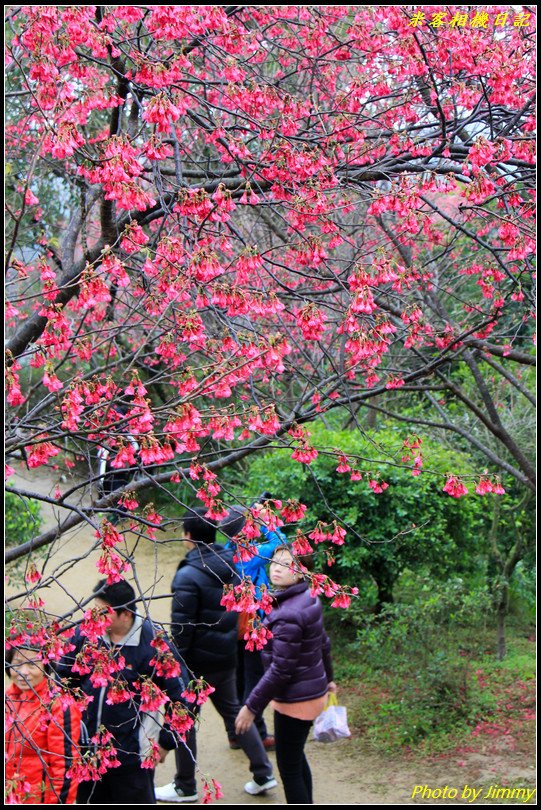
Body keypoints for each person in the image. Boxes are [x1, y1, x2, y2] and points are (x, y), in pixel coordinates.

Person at [155, 507, 277, 804]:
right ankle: (263, 773)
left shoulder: (188, 574)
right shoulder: (230, 562)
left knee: (184, 718)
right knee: (234, 712)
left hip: (197, 662)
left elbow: (181, 628)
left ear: (188, 536)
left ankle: (185, 785)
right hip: (225, 655)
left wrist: (177, 665)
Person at [56, 579, 186, 805]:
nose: (94, 617)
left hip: (132, 756)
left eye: (102, 612)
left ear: (125, 614)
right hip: (87, 752)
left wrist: (166, 742)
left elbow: (183, 699)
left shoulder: (155, 645)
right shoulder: (87, 635)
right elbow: (64, 676)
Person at [235, 544, 336, 805]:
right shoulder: (309, 597)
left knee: (289, 768)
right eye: (274, 562)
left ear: (301, 571)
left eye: (286, 564)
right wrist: (330, 678)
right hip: (311, 692)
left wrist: (250, 707)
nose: (277, 569)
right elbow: (323, 642)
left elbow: (281, 669)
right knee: (296, 757)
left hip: (296, 701)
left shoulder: (288, 613)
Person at [220, 496, 287, 751]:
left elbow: (232, 534)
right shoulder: (254, 555)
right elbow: (281, 544)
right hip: (253, 625)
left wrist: (243, 521)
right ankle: (255, 731)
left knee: (236, 678)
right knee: (254, 678)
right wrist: (266, 520)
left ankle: (234, 733)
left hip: (231, 623)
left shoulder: (226, 553)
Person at [5, 644, 81, 804]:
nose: (23, 672)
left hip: (38, 797)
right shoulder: (8, 699)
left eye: (32, 664)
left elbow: (65, 766)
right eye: (17, 663)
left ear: (46, 666)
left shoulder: (57, 704)